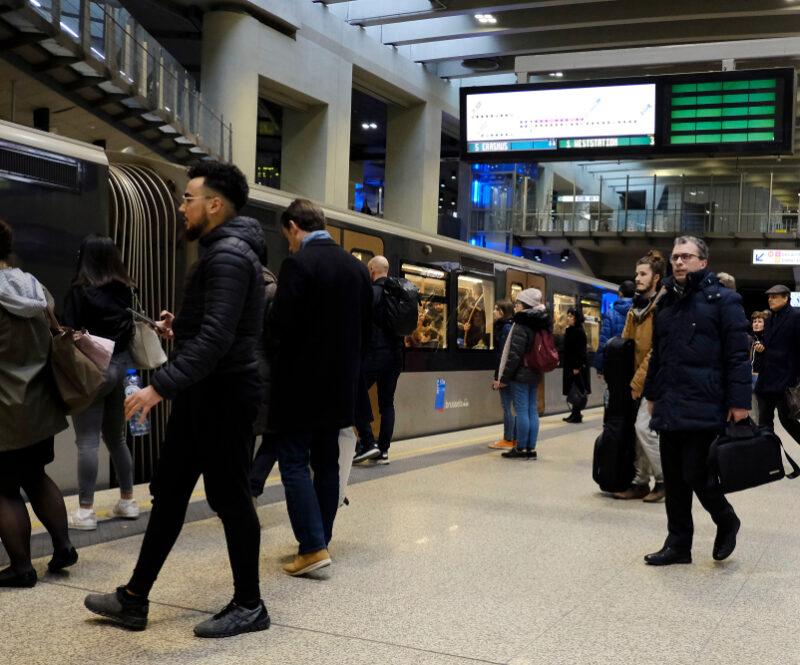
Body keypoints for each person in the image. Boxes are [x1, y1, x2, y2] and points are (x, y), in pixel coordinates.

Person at [84, 161, 270, 637]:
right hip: (204, 395)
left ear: (214, 204)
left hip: (223, 396)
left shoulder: (228, 254)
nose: (181, 207)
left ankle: (250, 605)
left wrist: (157, 386)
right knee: (169, 495)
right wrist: (178, 326)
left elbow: (218, 339)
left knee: (231, 500)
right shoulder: (221, 252)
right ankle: (133, 599)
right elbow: (209, 328)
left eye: (188, 198)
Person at [272, 199, 372, 577]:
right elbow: (365, 329)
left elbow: (281, 325)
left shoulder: (299, 264)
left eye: (288, 236)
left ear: (294, 226)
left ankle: (312, 547)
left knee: (294, 460)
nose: (290, 244)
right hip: (340, 385)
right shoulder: (356, 269)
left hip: (299, 385)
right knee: (326, 462)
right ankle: (321, 540)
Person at [643, 236, 750, 566]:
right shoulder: (667, 303)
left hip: (705, 400)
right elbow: (658, 354)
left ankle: (726, 519)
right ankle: (678, 544)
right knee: (673, 478)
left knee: (695, 473)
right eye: (675, 257)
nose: (678, 262)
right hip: (670, 401)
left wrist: (739, 403)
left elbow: (737, 356)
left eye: (686, 257)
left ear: (703, 262)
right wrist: (651, 392)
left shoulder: (725, 301)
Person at [0, 219, 77, 587]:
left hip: (3, 408)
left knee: (3, 490)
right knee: (35, 475)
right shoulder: (34, 286)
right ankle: (62, 546)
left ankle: (21, 567)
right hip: (39, 403)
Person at [62, 235, 139, 530]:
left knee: (88, 442)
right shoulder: (125, 290)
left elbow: (68, 330)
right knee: (117, 438)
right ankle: (129, 501)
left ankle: (86, 511)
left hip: (94, 371)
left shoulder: (80, 291)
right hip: (124, 367)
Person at [613, 250, 667, 502]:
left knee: (644, 429)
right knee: (638, 433)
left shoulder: (663, 308)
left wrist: (637, 382)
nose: (637, 278)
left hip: (657, 380)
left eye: (643, 274)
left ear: (656, 278)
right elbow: (626, 346)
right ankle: (641, 481)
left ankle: (665, 480)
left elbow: (657, 349)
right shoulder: (635, 308)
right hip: (637, 380)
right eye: (636, 273)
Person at [353, 256, 404, 465]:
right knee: (387, 404)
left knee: (355, 392)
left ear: (372, 270)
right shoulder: (399, 294)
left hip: (374, 353)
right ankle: (383, 452)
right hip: (396, 356)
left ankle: (367, 442)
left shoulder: (371, 293)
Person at [496, 289, 552, 459]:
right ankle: (531, 448)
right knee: (532, 410)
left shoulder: (521, 323)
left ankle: (520, 448)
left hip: (521, 373)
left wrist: (503, 378)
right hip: (535, 371)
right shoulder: (542, 322)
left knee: (521, 411)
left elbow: (514, 355)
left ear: (526, 305)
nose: (516, 307)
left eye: (518, 304)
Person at [248, 257, 279, 506]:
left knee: (243, 435)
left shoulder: (233, 286)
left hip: (237, 371)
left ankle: (240, 491)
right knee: (274, 435)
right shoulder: (272, 289)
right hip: (267, 371)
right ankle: (253, 488)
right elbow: (276, 337)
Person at [754, 285, 800, 442]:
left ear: (786, 298)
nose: (770, 300)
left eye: (774, 297)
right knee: (764, 426)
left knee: (788, 421)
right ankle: (771, 464)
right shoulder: (768, 320)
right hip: (766, 380)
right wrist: (760, 351)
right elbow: (768, 346)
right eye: (769, 297)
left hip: (787, 380)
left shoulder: (796, 316)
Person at [489, 300, 516, 450]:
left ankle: (508, 439)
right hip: (510, 373)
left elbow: (503, 355)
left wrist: (498, 377)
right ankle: (513, 438)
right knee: (512, 406)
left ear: (502, 313)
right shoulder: (509, 326)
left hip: (506, 374)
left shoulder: (505, 328)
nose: (493, 312)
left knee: (507, 406)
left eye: (496, 309)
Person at [595, 280, 635, 378]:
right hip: (634, 364)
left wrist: (600, 368)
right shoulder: (639, 313)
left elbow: (604, 343)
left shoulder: (611, 315)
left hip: (614, 365)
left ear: (620, 293)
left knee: (613, 392)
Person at [562, 307, 589, 423]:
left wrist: (577, 367)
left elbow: (581, 351)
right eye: (568, 316)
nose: (568, 318)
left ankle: (577, 414)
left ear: (576, 318)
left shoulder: (579, 331)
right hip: (569, 364)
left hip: (576, 366)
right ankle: (574, 413)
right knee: (572, 389)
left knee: (576, 389)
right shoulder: (571, 329)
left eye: (571, 316)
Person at [750, 310, 767, 390]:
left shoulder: (767, 340)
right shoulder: (750, 339)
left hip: (762, 377)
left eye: (760, 322)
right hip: (748, 375)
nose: (756, 324)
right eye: (754, 321)